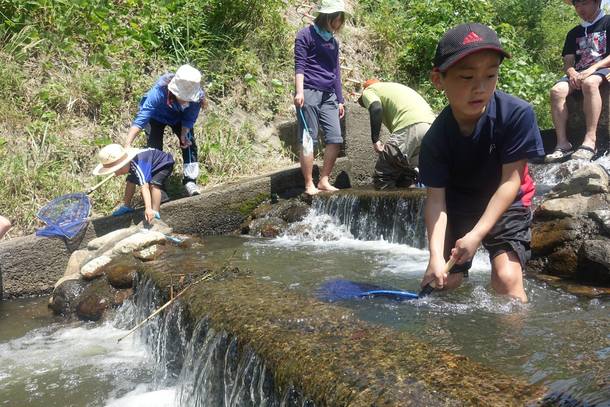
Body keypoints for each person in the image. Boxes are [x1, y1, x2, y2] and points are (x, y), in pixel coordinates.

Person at [418, 23, 545, 303]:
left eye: (491, 75)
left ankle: (513, 345)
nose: (480, 87)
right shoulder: (435, 140)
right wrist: (435, 257)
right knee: (444, 281)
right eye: (466, 77)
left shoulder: (516, 115)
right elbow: (436, 202)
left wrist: (476, 235)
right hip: (459, 204)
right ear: (438, 80)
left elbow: (511, 181)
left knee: (506, 277)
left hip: (508, 202)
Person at [294, 0, 349, 195]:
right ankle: (309, 183)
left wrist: (340, 99)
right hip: (309, 90)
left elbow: (336, 71)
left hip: (329, 95)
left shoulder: (333, 42)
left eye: (341, 19)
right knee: (309, 138)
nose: (339, 23)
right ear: (327, 16)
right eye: (337, 18)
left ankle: (324, 179)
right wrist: (299, 91)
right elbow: (299, 65)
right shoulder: (305, 35)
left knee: (335, 138)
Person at [124, 64, 205, 197]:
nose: (185, 100)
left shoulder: (197, 98)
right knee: (154, 149)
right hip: (155, 117)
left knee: (189, 143)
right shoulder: (159, 91)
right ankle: (158, 187)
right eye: (183, 96)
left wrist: (184, 134)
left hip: (178, 118)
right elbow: (142, 117)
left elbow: (189, 119)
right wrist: (127, 144)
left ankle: (190, 181)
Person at [546, 0, 610, 163]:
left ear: (597, 2)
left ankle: (590, 140)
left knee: (590, 83)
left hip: (603, 69)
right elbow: (568, 61)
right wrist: (572, 72)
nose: (580, 8)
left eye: (584, 3)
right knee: (556, 91)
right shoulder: (574, 32)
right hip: (579, 72)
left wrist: (592, 69)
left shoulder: (608, 22)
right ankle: (562, 144)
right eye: (577, 5)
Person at [357, 79, 436, 189]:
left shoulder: (369, 90)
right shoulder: (393, 88)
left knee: (384, 174)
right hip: (432, 128)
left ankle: (386, 205)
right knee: (406, 176)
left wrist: (375, 140)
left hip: (411, 125)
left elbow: (376, 108)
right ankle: (411, 202)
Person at [93, 144, 174, 223]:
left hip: (162, 163)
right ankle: (126, 206)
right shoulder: (130, 164)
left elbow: (144, 187)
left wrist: (148, 208)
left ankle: (155, 211)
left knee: (154, 185)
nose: (116, 174)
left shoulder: (138, 165)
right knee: (130, 181)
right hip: (148, 164)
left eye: (118, 170)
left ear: (123, 165)